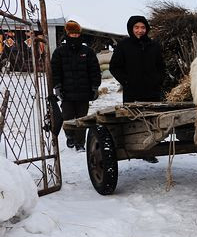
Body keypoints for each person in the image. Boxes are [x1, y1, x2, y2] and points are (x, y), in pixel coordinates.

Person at [109, 15, 166, 163]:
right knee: (134, 120)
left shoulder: (154, 46)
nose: (140, 30)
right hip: (132, 91)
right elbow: (114, 67)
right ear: (131, 29)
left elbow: (161, 67)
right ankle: (135, 148)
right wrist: (126, 81)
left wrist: (158, 80)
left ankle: (150, 151)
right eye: (136, 27)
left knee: (153, 120)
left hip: (152, 91)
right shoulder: (124, 45)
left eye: (142, 27)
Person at [50, 19, 102, 152]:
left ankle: (80, 143)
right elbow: (55, 71)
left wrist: (95, 87)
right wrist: (57, 86)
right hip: (66, 93)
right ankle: (70, 136)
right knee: (67, 117)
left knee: (82, 119)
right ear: (67, 34)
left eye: (76, 34)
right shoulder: (59, 52)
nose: (74, 36)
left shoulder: (87, 52)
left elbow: (95, 70)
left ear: (80, 34)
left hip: (84, 92)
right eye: (71, 34)